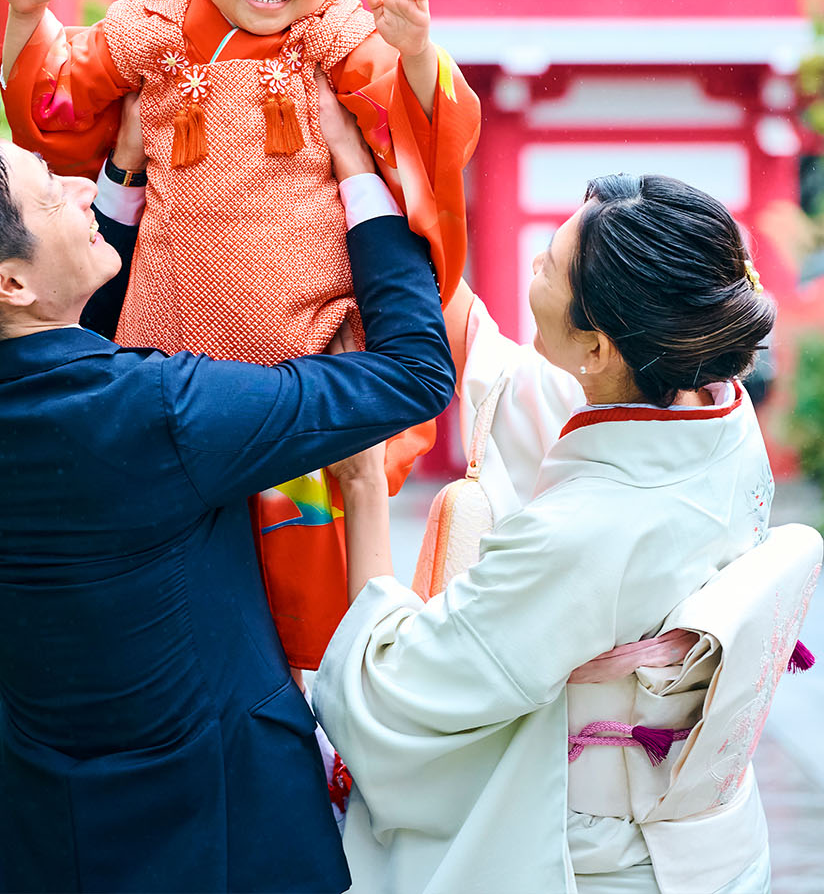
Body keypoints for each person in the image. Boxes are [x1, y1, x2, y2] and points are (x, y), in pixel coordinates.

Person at [0, 86, 456, 894]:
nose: (74, 189)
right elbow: (414, 374)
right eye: (49, 191)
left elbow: (64, 358)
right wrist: (362, 179)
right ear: (7, 283)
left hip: (52, 816)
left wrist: (123, 175)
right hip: (224, 814)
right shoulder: (163, 414)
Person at [0, 0, 480, 669]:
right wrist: (31, 18)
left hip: (306, 342)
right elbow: (56, 112)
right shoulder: (153, 28)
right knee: (177, 565)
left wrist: (420, 52)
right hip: (171, 339)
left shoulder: (338, 39)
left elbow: (426, 129)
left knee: (306, 568)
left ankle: (331, 710)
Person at [313, 173, 791, 894]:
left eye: (551, 264)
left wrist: (361, 487)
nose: (535, 259)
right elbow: (504, 372)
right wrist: (369, 189)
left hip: (597, 863)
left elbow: (389, 696)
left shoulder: (588, 533)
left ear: (596, 350)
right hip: (713, 840)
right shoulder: (714, 405)